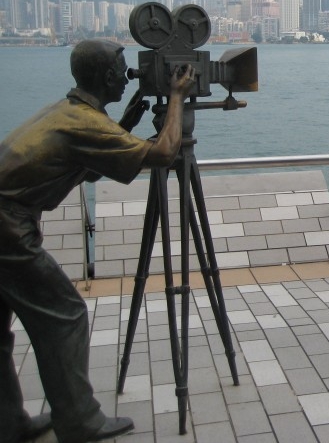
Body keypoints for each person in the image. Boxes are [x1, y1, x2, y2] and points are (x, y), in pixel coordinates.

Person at [0, 39, 195, 443]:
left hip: (7, 217)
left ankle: (9, 423)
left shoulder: (68, 112)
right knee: (65, 315)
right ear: (107, 76)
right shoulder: (84, 122)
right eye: (123, 69)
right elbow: (162, 153)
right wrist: (176, 97)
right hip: (6, 226)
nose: (129, 76)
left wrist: (121, 128)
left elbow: (86, 169)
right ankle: (79, 422)